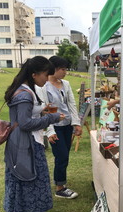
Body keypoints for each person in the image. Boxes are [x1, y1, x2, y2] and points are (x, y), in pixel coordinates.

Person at [3, 56, 65, 212]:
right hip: (25, 144)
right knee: (27, 178)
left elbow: (26, 116)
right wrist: (51, 118)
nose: (47, 79)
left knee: (31, 177)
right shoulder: (24, 94)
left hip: (25, 142)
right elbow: (25, 123)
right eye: (46, 75)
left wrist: (42, 111)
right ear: (34, 74)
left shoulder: (24, 89)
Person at [45, 56, 82, 199]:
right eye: (62, 69)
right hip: (55, 126)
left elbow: (71, 104)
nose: (65, 72)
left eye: (65, 69)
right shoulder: (44, 86)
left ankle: (60, 182)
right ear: (53, 69)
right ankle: (60, 188)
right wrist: (50, 131)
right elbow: (45, 110)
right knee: (62, 156)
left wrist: (76, 123)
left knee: (64, 156)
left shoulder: (65, 84)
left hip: (67, 125)